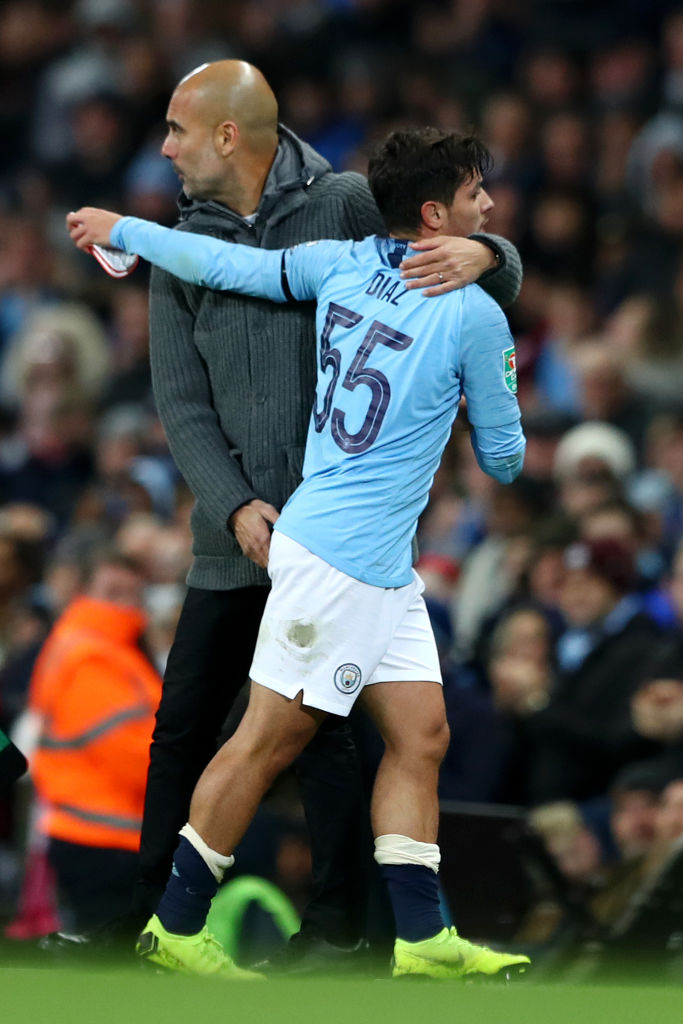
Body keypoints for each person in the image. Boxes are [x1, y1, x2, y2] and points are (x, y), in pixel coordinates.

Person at [71, 59, 525, 967]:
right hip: (338, 555)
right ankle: (172, 930)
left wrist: (127, 231)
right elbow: (505, 460)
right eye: (476, 196)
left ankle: (423, 938)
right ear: (434, 213)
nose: (489, 207)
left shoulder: (339, 260)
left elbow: (228, 266)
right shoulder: (472, 317)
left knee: (419, 736)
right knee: (262, 743)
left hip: (370, 559)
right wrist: (488, 383)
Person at [27, 549, 161, 933]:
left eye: (132, 594)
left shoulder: (96, 647)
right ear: (82, 592)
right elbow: (133, 756)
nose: (125, 606)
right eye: (113, 592)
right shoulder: (93, 655)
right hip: (103, 835)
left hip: (97, 830)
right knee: (113, 956)